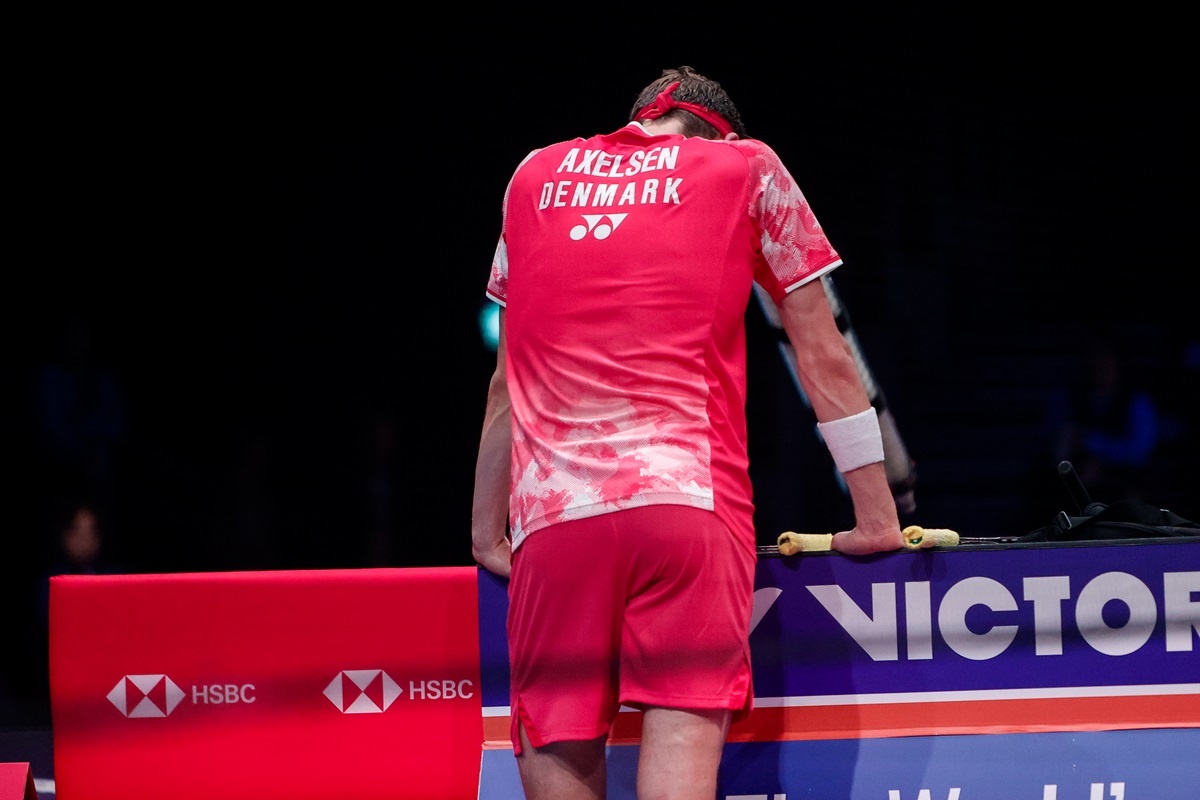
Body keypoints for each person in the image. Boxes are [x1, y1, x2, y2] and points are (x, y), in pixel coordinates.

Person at [470, 66, 905, 799]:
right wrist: (876, 514)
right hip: (689, 512)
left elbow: (505, 384)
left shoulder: (531, 177)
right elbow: (823, 355)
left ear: (637, 122)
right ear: (717, 131)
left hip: (553, 525)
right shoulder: (746, 166)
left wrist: (487, 532)